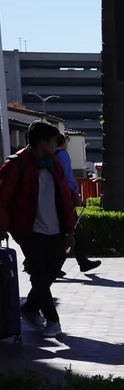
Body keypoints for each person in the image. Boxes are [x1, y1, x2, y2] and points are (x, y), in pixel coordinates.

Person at [0, 122, 78, 338]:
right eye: (53, 142)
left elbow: (64, 199)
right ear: (43, 142)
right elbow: (2, 199)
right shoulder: (15, 165)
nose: (55, 147)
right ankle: (53, 320)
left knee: (51, 272)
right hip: (29, 231)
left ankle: (30, 307)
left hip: (55, 230)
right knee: (40, 274)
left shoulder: (54, 165)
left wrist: (69, 231)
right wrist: (2, 227)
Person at [55, 134, 100, 274]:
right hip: (64, 198)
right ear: (63, 143)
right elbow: (68, 177)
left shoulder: (46, 156)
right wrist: (75, 194)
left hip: (52, 199)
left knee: (67, 231)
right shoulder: (61, 154)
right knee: (70, 229)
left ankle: (81, 262)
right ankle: (60, 265)